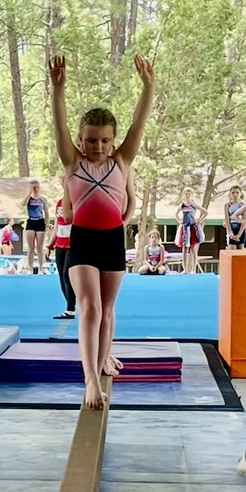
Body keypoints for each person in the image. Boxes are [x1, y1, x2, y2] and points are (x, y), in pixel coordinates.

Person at [51, 53, 154, 410]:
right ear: (81, 140)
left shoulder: (121, 161)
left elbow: (138, 126)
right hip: (82, 241)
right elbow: (59, 128)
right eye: (91, 140)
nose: (98, 147)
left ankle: (102, 359)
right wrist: (57, 89)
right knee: (90, 307)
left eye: (104, 140)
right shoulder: (72, 162)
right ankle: (91, 379)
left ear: (112, 141)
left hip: (112, 240)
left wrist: (148, 87)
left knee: (108, 310)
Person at [49, 197, 75, 318]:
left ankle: (70, 309)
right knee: (61, 277)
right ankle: (70, 304)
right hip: (60, 244)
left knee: (67, 275)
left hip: (73, 244)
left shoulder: (77, 200)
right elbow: (57, 225)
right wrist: (50, 244)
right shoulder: (59, 202)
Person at [174, 188, 207, 275]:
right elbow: (176, 214)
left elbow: (205, 212)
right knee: (185, 249)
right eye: (186, 194)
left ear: (192, 195)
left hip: (192, 227)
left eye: (189, 194)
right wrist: (179, 220)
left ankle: (193, 269)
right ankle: (185, 269)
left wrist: (199, 220)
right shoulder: (182, 205)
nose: (188, 196)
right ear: (184, 195)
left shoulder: (194, 205)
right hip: (185, 227)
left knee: (193, 248)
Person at [21, 179, 49, 275]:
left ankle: (41, 268)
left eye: (36, 186)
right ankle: (30, 268)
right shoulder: (29, 198)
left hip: (40, 221)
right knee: (30, 247)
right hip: (31, 221)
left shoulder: (43, 199)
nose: (35, 188)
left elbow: (46, 212)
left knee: (39, 247)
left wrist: (47, 224)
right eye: (33, 186)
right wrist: (29, 192)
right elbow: (23, 204)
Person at [226, 185, 245, 250]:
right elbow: (227, 219)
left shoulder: (243, 205)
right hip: (231, 226)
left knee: (240, 248)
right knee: (232, 247)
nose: (235, 195)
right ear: (230, 194)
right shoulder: (227, 205)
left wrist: (239, 234)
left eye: (237, 192)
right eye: (233, 193)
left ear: (240, 194)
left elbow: (244, 220)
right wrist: (230, 232)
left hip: (240, 228)